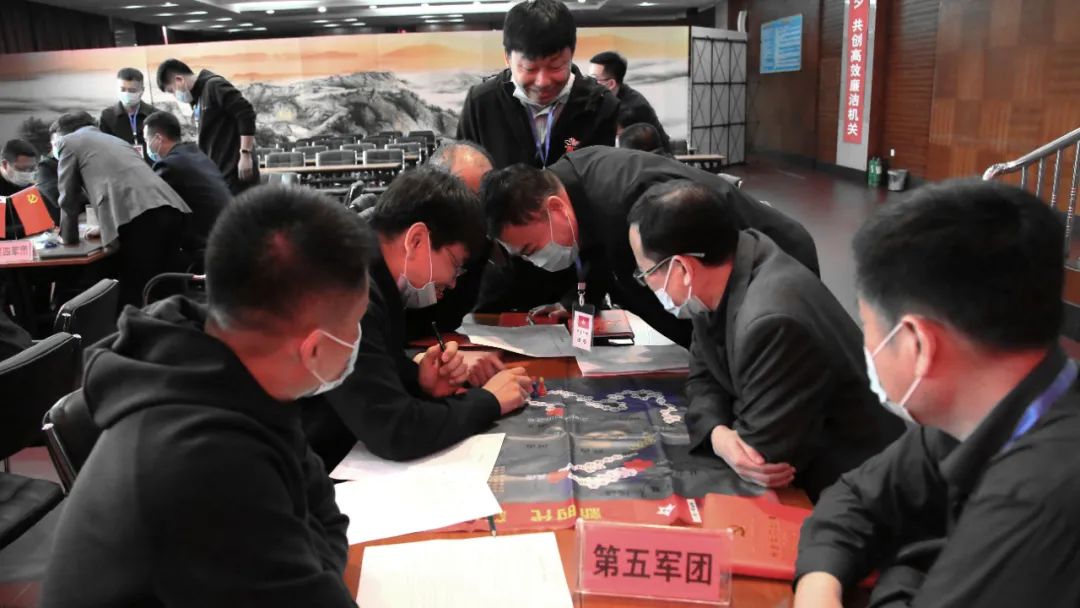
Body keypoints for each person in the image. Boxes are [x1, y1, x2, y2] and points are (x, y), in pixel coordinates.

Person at [41, 185, 365, 607]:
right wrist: (308, 562)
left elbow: (324, 512)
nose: (357, 338)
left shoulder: (225, 369)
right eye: (357, 322)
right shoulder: (205, 463)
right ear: (314, 349)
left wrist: (307, 561)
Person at [794, 180, 1080, 607]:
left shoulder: (1040, 501)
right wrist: (818, 584)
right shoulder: (976, 408)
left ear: (918, 345)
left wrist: (903, 569)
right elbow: (855, 498)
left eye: (869, 327)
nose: (868, 345)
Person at [627, 180, 903, 501]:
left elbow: (760, 456)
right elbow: (703, 376)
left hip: (854, 488)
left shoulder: (772, 322)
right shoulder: (724, 269)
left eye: (646, 273)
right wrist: (718, 435)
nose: (646, 283)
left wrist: (724, 435)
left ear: (683, 269)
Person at [302, 167, 533, 469]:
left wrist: (418, 380)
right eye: (455, 264)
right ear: (417, 240)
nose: (452, 282)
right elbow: (394, 430)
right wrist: (489, 401)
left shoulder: (366, 270)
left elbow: (371, 368)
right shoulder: (347, 292)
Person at [480, 146, 819, 347]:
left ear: (554, 209)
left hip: (766, 263)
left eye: (531, 249)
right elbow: (596, 250)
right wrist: (575, 302)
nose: (536, 261)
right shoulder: (568, 185)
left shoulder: (634, 208)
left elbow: (698, 289)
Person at [51, 111, 191, 307]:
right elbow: (124, 183)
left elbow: (68, 199)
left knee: (136, 293)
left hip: (141, 219)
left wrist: (68, 237)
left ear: (62, 135)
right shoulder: (115, 140)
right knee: (167, 286)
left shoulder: (69, 142)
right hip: (170, 208)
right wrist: (106, 226)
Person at [457, 0, 618, 169]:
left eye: (555, 67)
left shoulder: (600, 105)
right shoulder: (481, 104)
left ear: (571, 55)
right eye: (530, 68)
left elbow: (602, 177)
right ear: (507, 59)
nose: (542, 82)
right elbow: (462, 174)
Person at [156, 59, 259, 194]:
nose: (175, 96)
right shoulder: (198, 98)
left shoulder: (214, 85)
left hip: (236, 170)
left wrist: (245, 154)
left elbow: (245, 113)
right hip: (220, 172)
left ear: (179, 80)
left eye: (172, 91)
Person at [144, 110, 231, 267]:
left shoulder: (168, 165)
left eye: (146, 140)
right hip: (228, 238)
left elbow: (148, 204)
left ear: (158, 138)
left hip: (206, 252)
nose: (146, 146)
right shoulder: (197, 155)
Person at [589, 50, 670, 150]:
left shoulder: (632, 108)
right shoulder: (603, 98)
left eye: (593, 79)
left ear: (611, 84)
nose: (588, 83)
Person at [98, 67, 159, 164]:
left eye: (132, 90)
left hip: (151, 168)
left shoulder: (155, 115)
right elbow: (103, 149)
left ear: (142, 90)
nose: (126, 94)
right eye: (122, 89)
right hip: (121, 168)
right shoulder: (107, 116)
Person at [1, 139, 56, 238]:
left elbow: (44, 219)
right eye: (21, 169)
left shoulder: (29, 186)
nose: (27, 174)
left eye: (31, 168)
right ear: (5, 164)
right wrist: (35, 226)